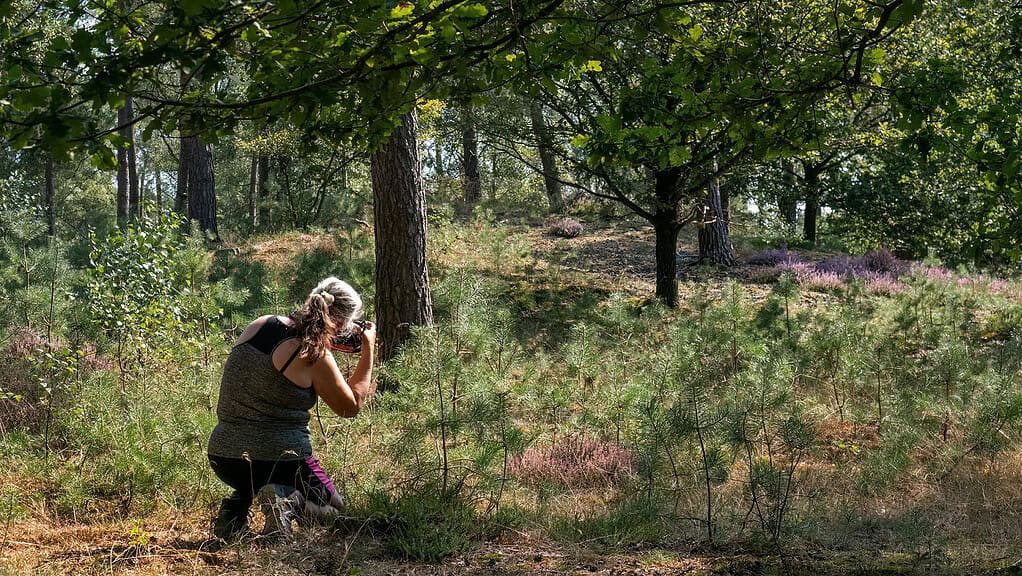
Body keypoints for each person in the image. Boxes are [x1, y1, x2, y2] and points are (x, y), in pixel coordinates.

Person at [207, 277, 376, 540]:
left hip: (224, 457)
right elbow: (350, 406)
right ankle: (289, 504)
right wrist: (368, 348)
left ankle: (235, 510)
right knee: (335, 510)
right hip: (282, 459)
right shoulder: (315, 353)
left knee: (258, 480)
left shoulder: (261, 324)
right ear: (341, 324)